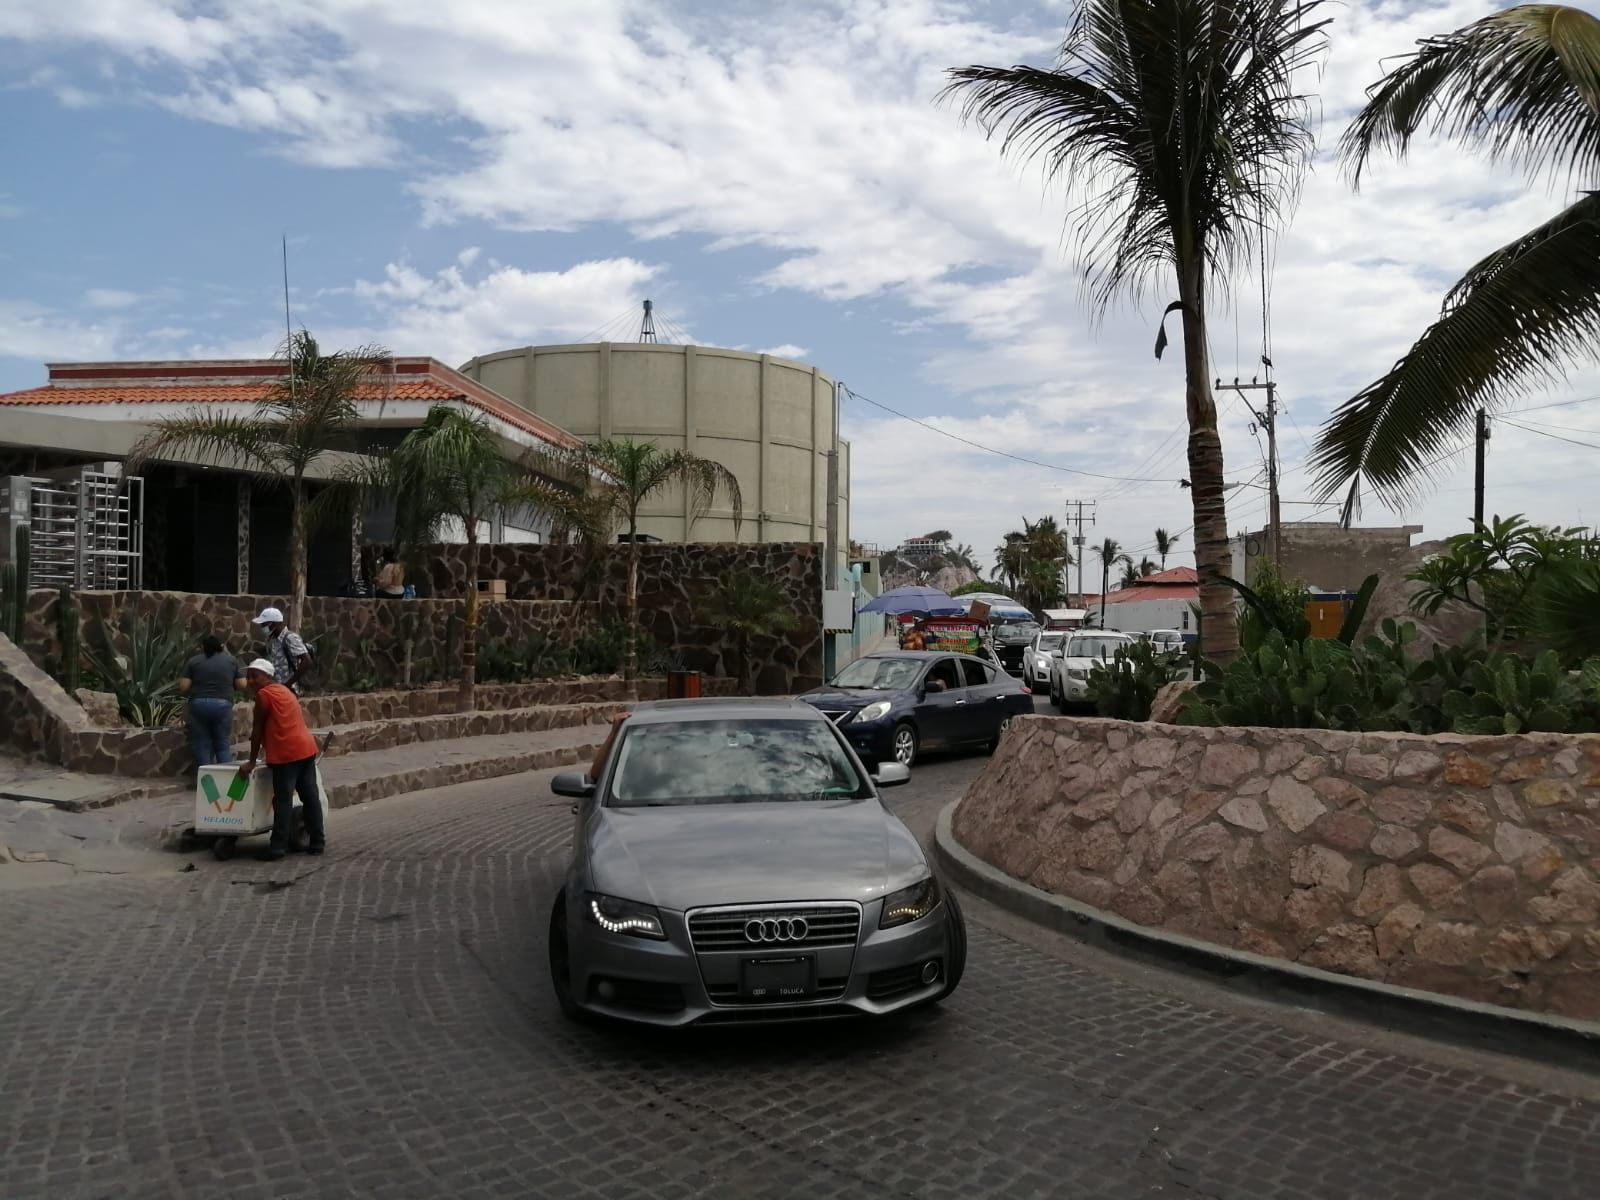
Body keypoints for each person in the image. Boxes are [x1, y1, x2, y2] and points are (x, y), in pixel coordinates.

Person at [238, 658, 326, 861]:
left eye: (255, 676)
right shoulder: (285, 690)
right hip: (305, 748)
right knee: (310, 796)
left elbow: (257, 731)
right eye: (248, 677)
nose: (250, 681)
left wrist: (251, 762)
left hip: (286, 753)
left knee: (283, 800)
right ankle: (317, 842)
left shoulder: (264, 695)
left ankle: (277, 847)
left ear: (267, 677)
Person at [179, 634, 244, 768]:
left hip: (199, 705)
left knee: (202, 743)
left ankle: (205, 777)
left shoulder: (193, 661)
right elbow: (242, 685)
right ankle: (226, 776)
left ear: (202, 647)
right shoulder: (231, 661)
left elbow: (184, 686)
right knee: (222, 743)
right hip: (223, 705)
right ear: (221, 647)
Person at [252, 606, 311, 694]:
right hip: (279, 688)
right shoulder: (274, 640)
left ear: (272, 624)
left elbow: (307, 661)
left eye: (264, 624)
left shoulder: (290, 638)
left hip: (290, 690)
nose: (262, 627)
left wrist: (288, 684)